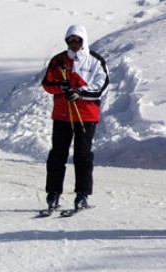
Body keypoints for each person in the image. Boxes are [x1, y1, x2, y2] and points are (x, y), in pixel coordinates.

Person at [42, 24, 109, 210]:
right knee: (57, 154)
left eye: (77, 40)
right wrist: (61, 87)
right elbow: (47, 83)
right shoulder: (58, 60)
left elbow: (101, 86)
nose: (73, 44)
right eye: (70, 40)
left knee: (82, 154)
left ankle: (82, 194)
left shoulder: (95, 61)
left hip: (85, 115)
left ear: (83, 40)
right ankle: (53, 193)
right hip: (62, 114)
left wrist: (80, 92)